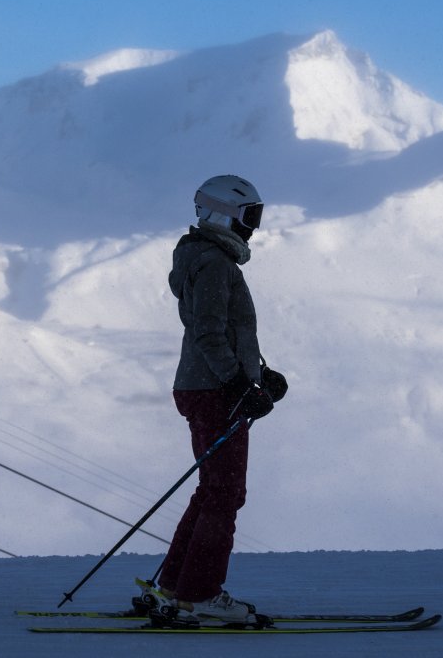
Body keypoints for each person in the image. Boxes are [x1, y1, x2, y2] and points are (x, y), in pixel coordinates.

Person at [146, 174, 288, 626]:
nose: (254, 228)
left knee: (213, 491)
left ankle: (176, 586)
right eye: (250, 217)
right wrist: (237, 383)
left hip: (207, 386)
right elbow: (208, 330)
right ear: (223, 213)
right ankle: (201, 594)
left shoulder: (208, 260)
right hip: (212, 390)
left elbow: (220, 331)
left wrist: (260, 376)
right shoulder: (214, 264)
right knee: (226, 494)